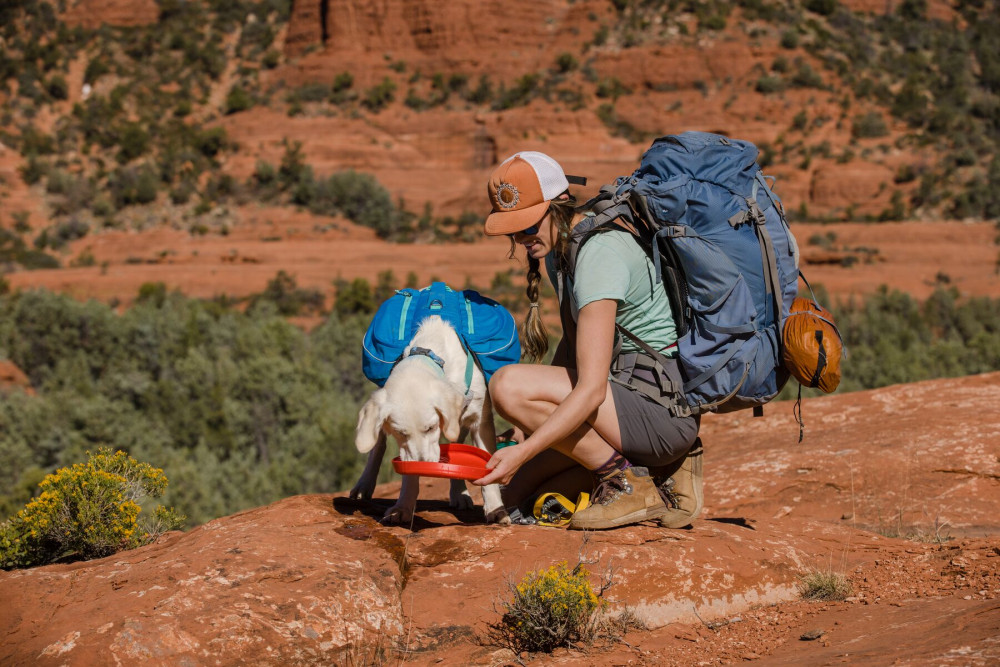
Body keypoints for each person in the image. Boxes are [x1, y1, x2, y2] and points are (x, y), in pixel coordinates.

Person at [472, 151, 703, 530]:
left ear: (559, 206)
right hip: (624, 403)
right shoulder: (561, 250)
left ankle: (629, 485)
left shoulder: (599, 253)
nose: (520, 237)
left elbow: (591, 388)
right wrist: (524, 431)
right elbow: (574, 350)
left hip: (655, 409)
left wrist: (526, 449)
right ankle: (659, 471)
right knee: (510, 498)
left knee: (508, 387)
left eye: (528, 226)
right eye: (513, 230)